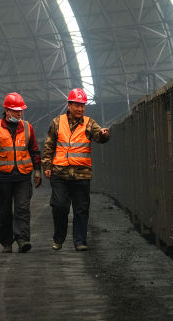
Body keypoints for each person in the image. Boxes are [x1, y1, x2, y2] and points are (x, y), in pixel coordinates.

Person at [42, 87, 110, 251]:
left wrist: (103, 134)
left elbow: (98, 135)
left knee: (81, 209)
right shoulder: (57, 123)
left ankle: (80, 241)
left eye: (82, 105)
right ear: (69, 105)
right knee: (59, 206)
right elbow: (49, 145)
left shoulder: (89, 123)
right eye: (77, 105)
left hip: (81, 174)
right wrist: (47, 165)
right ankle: (58, 238)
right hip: (60, 173)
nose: (80, 109)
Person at [0, 92, 42, 253]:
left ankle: (22, 240)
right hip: (2, 177)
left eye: (21, 110)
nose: (20, 113)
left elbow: (34, 151)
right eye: (16, 110)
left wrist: (37, 171)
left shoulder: (28, 128)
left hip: (22, 176)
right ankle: (6, 242)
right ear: (7, 111)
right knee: (4, 211)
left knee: (22, 208)